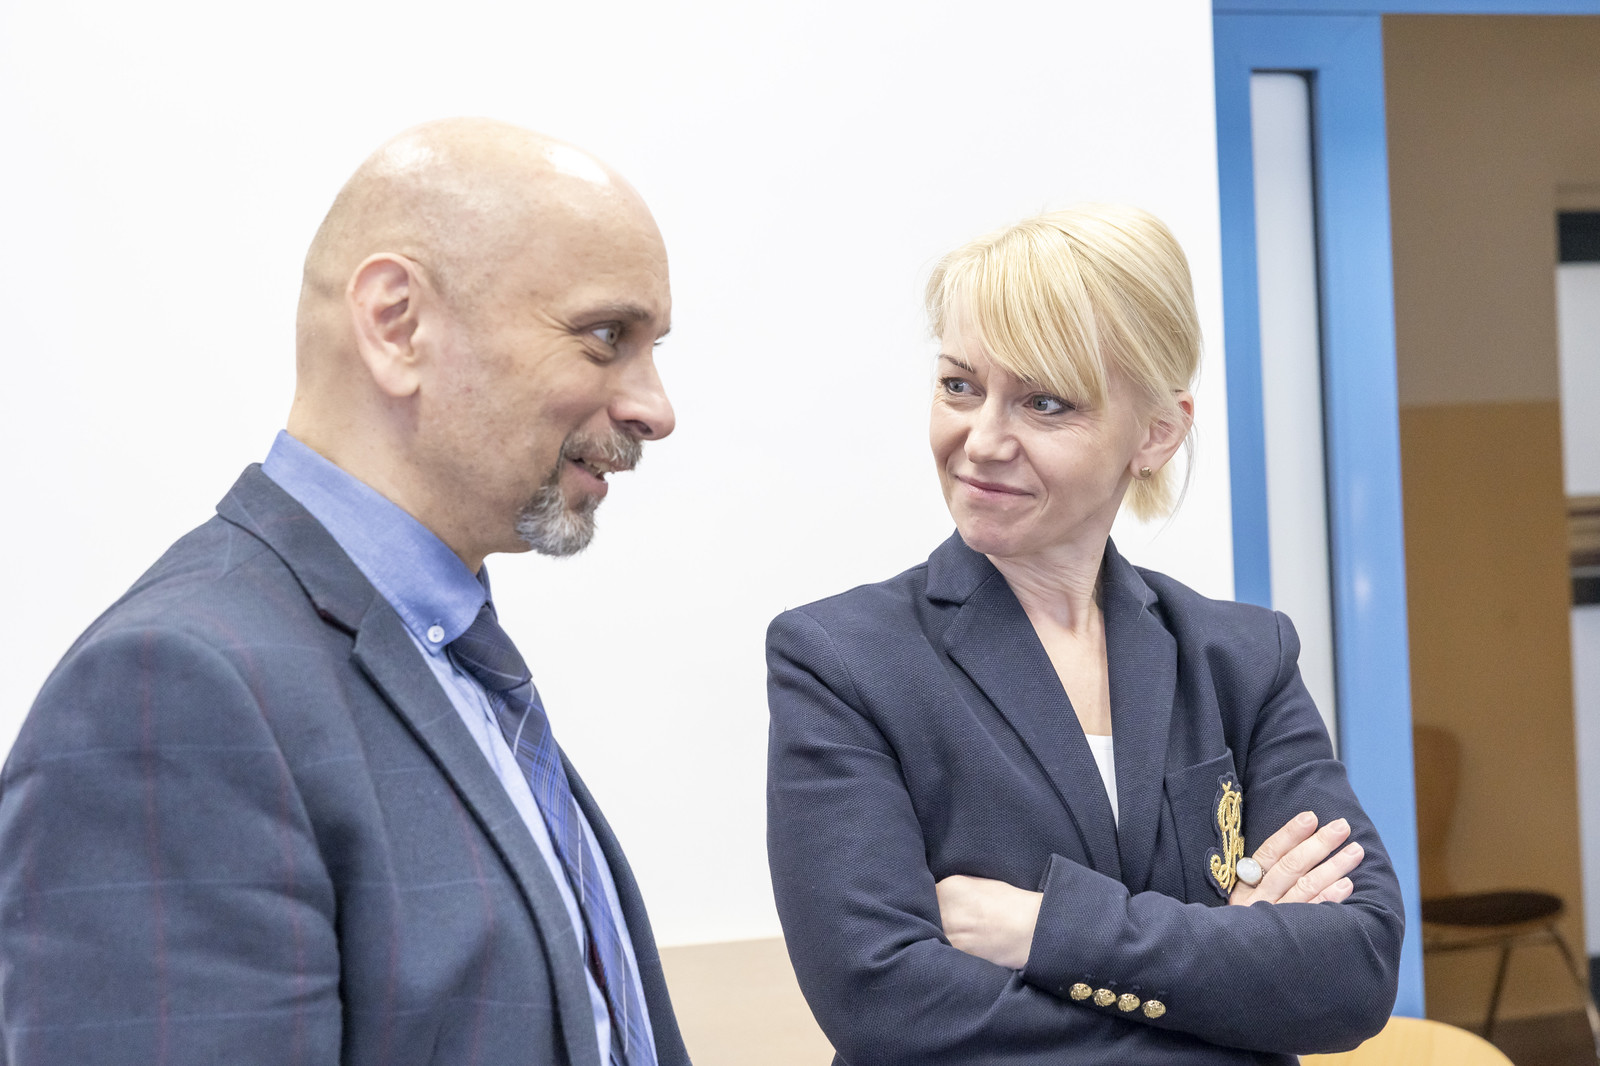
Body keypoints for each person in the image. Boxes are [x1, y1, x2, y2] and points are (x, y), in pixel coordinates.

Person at [0, 118, 690, 1066]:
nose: (656, 408)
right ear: (396, 324)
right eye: (606, 337)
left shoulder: (449, 659)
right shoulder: (174, 693)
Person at [766, 205, 1403, 1065]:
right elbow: (886, 1004)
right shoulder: (843, 661)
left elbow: (1353, 972)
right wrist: (1229, 985)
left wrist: (1044, 928)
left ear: (1156, 433)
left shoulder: (1241, 661)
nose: (981, 441)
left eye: (1045, 402)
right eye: (959, 386)